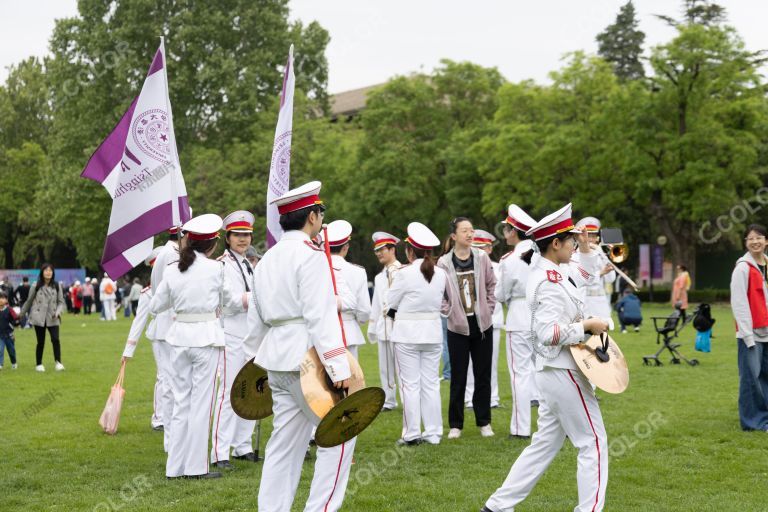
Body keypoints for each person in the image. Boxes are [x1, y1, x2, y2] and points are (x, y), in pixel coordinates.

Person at [482, 203, 610, 512]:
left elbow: (585, 274)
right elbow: (547, 332)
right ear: (555, 243)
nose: (573, 246)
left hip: (554, 371)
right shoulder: (547, 281)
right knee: (593, 443)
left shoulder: (556, 271)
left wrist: (584, 246)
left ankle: (498, 506)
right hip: (562, 369)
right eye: (570, 240)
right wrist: (587, 326)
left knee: (543, 445)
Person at [245, 181, 355, 512]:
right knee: (342, 432)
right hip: (308, 358)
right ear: (311, 216)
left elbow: (256, 317)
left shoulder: (266, 260)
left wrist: (254, 358)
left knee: (284, 444)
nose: (321, 219)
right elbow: (320, 314)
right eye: (320, 213)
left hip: (276, 357)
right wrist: (338, 368)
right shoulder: (311, 255)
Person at [150, 213, 245, 480]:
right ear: (213, 244)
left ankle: (174, 468)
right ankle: (195, 468)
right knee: (201, 405)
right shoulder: (216, 269)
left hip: (179, 338)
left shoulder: (171, 269)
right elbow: (231, 302)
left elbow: (156, 306)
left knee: (181, 404)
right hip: (206, 339)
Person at [388, 222, 447, 445]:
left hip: (407, 334)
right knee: (431, 384)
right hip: (431, 333)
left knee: (410, 385)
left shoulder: (404, 273)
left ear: (410, 250)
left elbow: (390, 302)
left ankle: (412, 433)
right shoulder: (440, 273)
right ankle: (433, 433)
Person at [438, 217, 497, 439]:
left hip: (482, 326)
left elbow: (492, 285)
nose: (470, 235)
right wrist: (450, 310)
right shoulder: (444, 262)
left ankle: (484, 422)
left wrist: (488, 308)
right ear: (454, 236)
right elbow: (439, 293)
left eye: (471, 230)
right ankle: (456, 424)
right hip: (457, 327)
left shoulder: (482, 257)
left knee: (483, 375)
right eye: (465, 231)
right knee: (458, 376)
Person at [211, 211, 259, 469]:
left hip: (250, 334)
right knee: (228, 393)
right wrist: (261, 298)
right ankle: (220, 451)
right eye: (238, 235)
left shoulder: (248, 263)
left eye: (247, 234)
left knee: (250, 391)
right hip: (230, 333)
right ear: (227, 237)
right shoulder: (222, 264)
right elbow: (230, 301)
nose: (243, 239)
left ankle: (242, 445)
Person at [495, 204, 540, 440]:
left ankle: (521, 428)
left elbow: (500, 294)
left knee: (520, 375)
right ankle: (552, 426)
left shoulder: (509, 259)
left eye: (507, 228)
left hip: (519, 316)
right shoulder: (542, 254)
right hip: (542, 315)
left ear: (514, 231)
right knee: (545, 372)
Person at [121, 247, 165, 431]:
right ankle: (159, 418)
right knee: (164, 376)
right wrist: (128, 350)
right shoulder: (148, 293)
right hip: (160, 335)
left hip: (180, 334)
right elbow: (138, 322)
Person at [730, 223, 768, 432]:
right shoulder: (743, 268)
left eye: (759, 237)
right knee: (751, 380)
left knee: (765, 378)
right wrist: (747, 335)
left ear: (766, 241)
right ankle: (753, 422)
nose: (755, 241)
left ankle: (764, 417)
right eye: (750, 238)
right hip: (751, 334)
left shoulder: (767, 265)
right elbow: (739, 303)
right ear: (746, 243)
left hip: (767, 332)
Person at [149, 227, 183, 451]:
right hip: (168, 325)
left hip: (166, 325)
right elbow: (170, 291)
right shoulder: (172, 254)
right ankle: (171, 438)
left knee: (170, 382)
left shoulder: (167, 252)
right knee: (171, 383)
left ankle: (172, 436)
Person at [464, 230, 502, 409]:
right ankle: (470, 396)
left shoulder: (498, 266)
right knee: (470, 362)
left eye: (486, 247)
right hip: (470, 321)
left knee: (491, 362)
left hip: (493, 319)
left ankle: (492, 397)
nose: (485, 251)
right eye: (480, 247)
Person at [325, 219, 371, 359]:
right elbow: (364, 311)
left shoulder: (315, 268)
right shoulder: (357, 272)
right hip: (349, 331)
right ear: (346, 247)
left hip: (322, 331)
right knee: (350, 379)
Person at [368, 231, 403, 411]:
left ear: (392, 249)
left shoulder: (402, 271)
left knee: (402, 368)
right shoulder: (379, 276)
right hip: (384, 327)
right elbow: (375, 304)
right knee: (385, 368)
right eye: (377, 251)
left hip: (399, 327)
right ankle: (389, 400)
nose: (379, 254)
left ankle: (407, 400)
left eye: (382, 249)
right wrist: (372, 327)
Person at [20, 263, 66, 372]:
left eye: (50, 270)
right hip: (38, 317)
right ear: (42, 272)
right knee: (40, 341)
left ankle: (58, 362)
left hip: (53, 317)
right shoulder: (35, 285)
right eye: (46, 270)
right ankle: (39, 364)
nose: (48, 272)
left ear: (53, 273)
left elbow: (61, 302)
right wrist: (20, 315)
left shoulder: (57, 285)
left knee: (55, 339)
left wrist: (58, 312)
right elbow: (29, 301)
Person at [573, 216, 615, 321]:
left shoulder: (601, 255)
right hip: (585, 300)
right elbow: (579, 279)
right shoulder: (575, 255)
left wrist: (604, 256)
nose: (591, 239)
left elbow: (611, 279)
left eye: (594, 236)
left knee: (603, 333)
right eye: (588, 235)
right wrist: (600, 273)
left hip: (600, 300)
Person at [0, 292, 19, 370]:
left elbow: (15, 318)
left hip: (9, 335)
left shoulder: (9, 309)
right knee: (0, 349)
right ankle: (0, 364)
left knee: (11, 351)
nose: (1, 299)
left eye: (3, 298)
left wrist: (17, 320)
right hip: (0, 335)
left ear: (6, 300)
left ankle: (14, 363)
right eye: (0, 298)